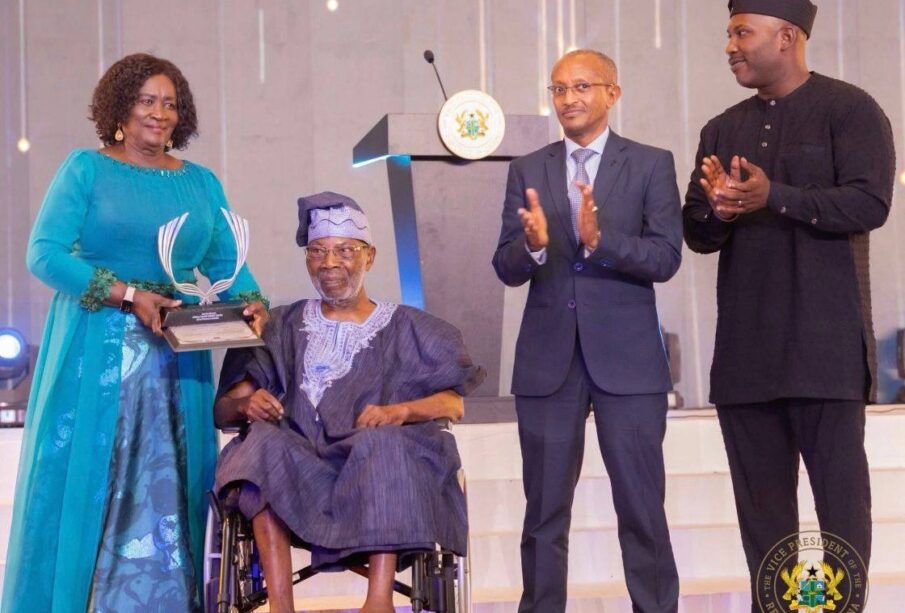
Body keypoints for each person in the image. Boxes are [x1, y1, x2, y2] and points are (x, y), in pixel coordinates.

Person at [2, 53, 268, 613]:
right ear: (121, 108)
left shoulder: (200, 183)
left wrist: (252, 303)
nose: (159, 113)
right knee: (95, 480)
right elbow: (44, 253)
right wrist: (126, 294)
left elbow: (227, 262)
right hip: (95, 349)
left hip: (176, 356)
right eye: (147, 100)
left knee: (169, 481)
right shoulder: (86, 169)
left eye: (169, 103)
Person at [682, 0, 893, 606]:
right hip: (746, 359)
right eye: (729, 34)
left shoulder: (849, 109)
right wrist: (719, 211)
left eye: (742, 32)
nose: (730, 46)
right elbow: (697, 232)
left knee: (840, 516)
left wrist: (774, 195)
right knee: (764, 527)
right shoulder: (722, 128)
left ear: (788, 37)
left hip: (826, 352)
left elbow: (870, 203)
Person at [213, 192, 485, 613]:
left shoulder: (410, 327)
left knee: (385, 441)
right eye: (317, 252)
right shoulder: (280, 324)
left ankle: (379, 602)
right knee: (260, 444)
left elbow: (454, 405)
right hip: (297, 467)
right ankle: (281, 606)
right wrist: (245, 406)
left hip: (371, 472)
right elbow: (224, 410)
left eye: (344, 251)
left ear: (369, 257)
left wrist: (400, 412)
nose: (329, 263)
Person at [492, 49, 682, 613]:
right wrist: (533, 246)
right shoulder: (527, 168)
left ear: (612, 93)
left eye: (581, 86)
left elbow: (666, 257)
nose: (568, 98)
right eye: (558, 88)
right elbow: (505, 266)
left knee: (642, 510)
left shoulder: (650, 164)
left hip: (629, 362)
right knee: (544, 514)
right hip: (548, 363)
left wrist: (601, 241)